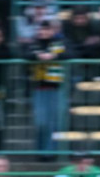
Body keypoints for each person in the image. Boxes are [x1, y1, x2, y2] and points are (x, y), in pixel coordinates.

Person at [27, 22, 69, 157]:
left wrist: (54, 56)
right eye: (41, 29)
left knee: (53, 122)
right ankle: (40, 151)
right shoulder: (34, 44)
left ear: (52, 31)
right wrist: (37, 56)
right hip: (39, 88)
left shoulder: (59, 44)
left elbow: (71, 54)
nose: (43, 32)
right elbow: (24, 54)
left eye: (46, 29)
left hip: (56, 88)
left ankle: (51, 152)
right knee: (41, 122)